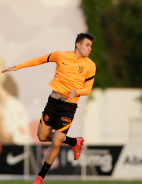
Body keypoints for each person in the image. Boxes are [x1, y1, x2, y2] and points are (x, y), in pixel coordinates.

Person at [1, 33, 96, 184]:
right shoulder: (60, 55)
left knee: (57, 140)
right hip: (52, 103)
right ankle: (74, 142)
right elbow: (39, 60)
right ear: (78, 45)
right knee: (42, 136)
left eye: (91, 46)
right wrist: (17, 66)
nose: (90, 48)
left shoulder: (90, 65)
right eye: (87, 45)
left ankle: (40, 177)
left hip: (68, 107)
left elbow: (88, 89)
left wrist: (76, 91)